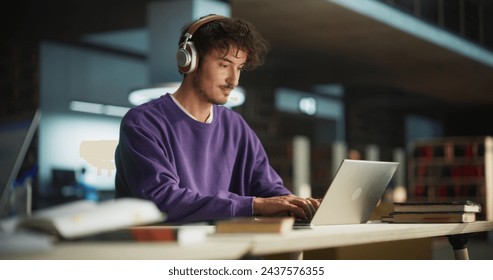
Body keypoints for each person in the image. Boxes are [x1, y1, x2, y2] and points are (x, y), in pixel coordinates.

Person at [114, 14, 320, 223]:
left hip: (232, 251)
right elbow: (162, 200)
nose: (233, 80)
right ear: (190, 60)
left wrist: (298, 205)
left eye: (238, 68)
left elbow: (270, 190)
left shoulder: (236, 126)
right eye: (224, 65)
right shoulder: (143, 123)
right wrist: (252, 205)